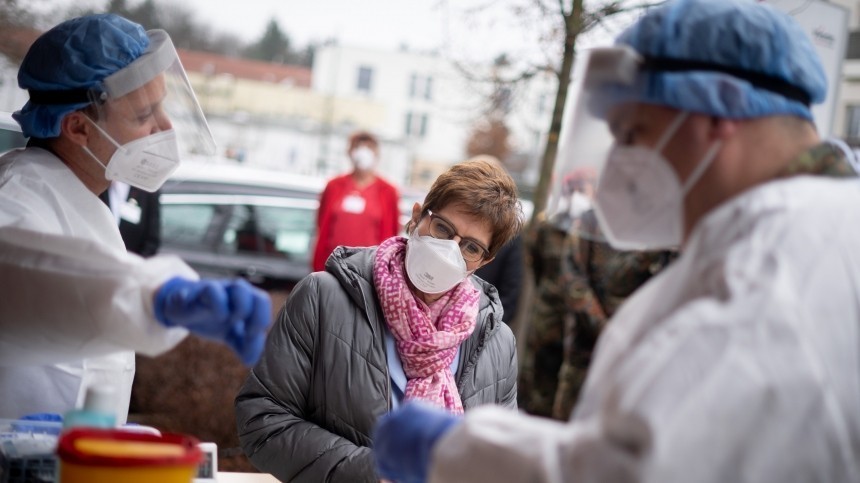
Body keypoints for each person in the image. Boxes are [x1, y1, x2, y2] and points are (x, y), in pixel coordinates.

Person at [371, 0, 860, 481]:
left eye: (632, 133)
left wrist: (456, 452)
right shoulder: (818, 231)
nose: (619, 164)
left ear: (719, 111)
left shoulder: (766, 274)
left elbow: (636, 469)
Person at [0, 14, 271, 423]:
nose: (165, 127)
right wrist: (155, 297)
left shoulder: (82, 197)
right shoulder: (17, 197)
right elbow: (29, 276)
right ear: (77, 127)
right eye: (145, 115)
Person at [235, 157, 523, 482]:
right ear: (417, 217)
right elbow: (262, 419)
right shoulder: (323, 298)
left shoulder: (496, 343)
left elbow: (498, 462)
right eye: (443, 228)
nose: (448, 250)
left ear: (485, 261)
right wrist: (377, 474)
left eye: (470, 247)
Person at [312, 130, 399, 272]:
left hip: (368, 271)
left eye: (369, 148)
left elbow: (392, 233)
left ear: (377, 153)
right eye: (358, 147)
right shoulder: (334, 186)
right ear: (350, 152)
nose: (363, 152)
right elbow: (321, 222)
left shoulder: (388, 191)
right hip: (332, 267)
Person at [100, 180, 161, 256]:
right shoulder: (97, 186)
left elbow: (152, 240)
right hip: (98, 261)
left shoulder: (146, 190)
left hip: (132, 263)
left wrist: (134, 265)